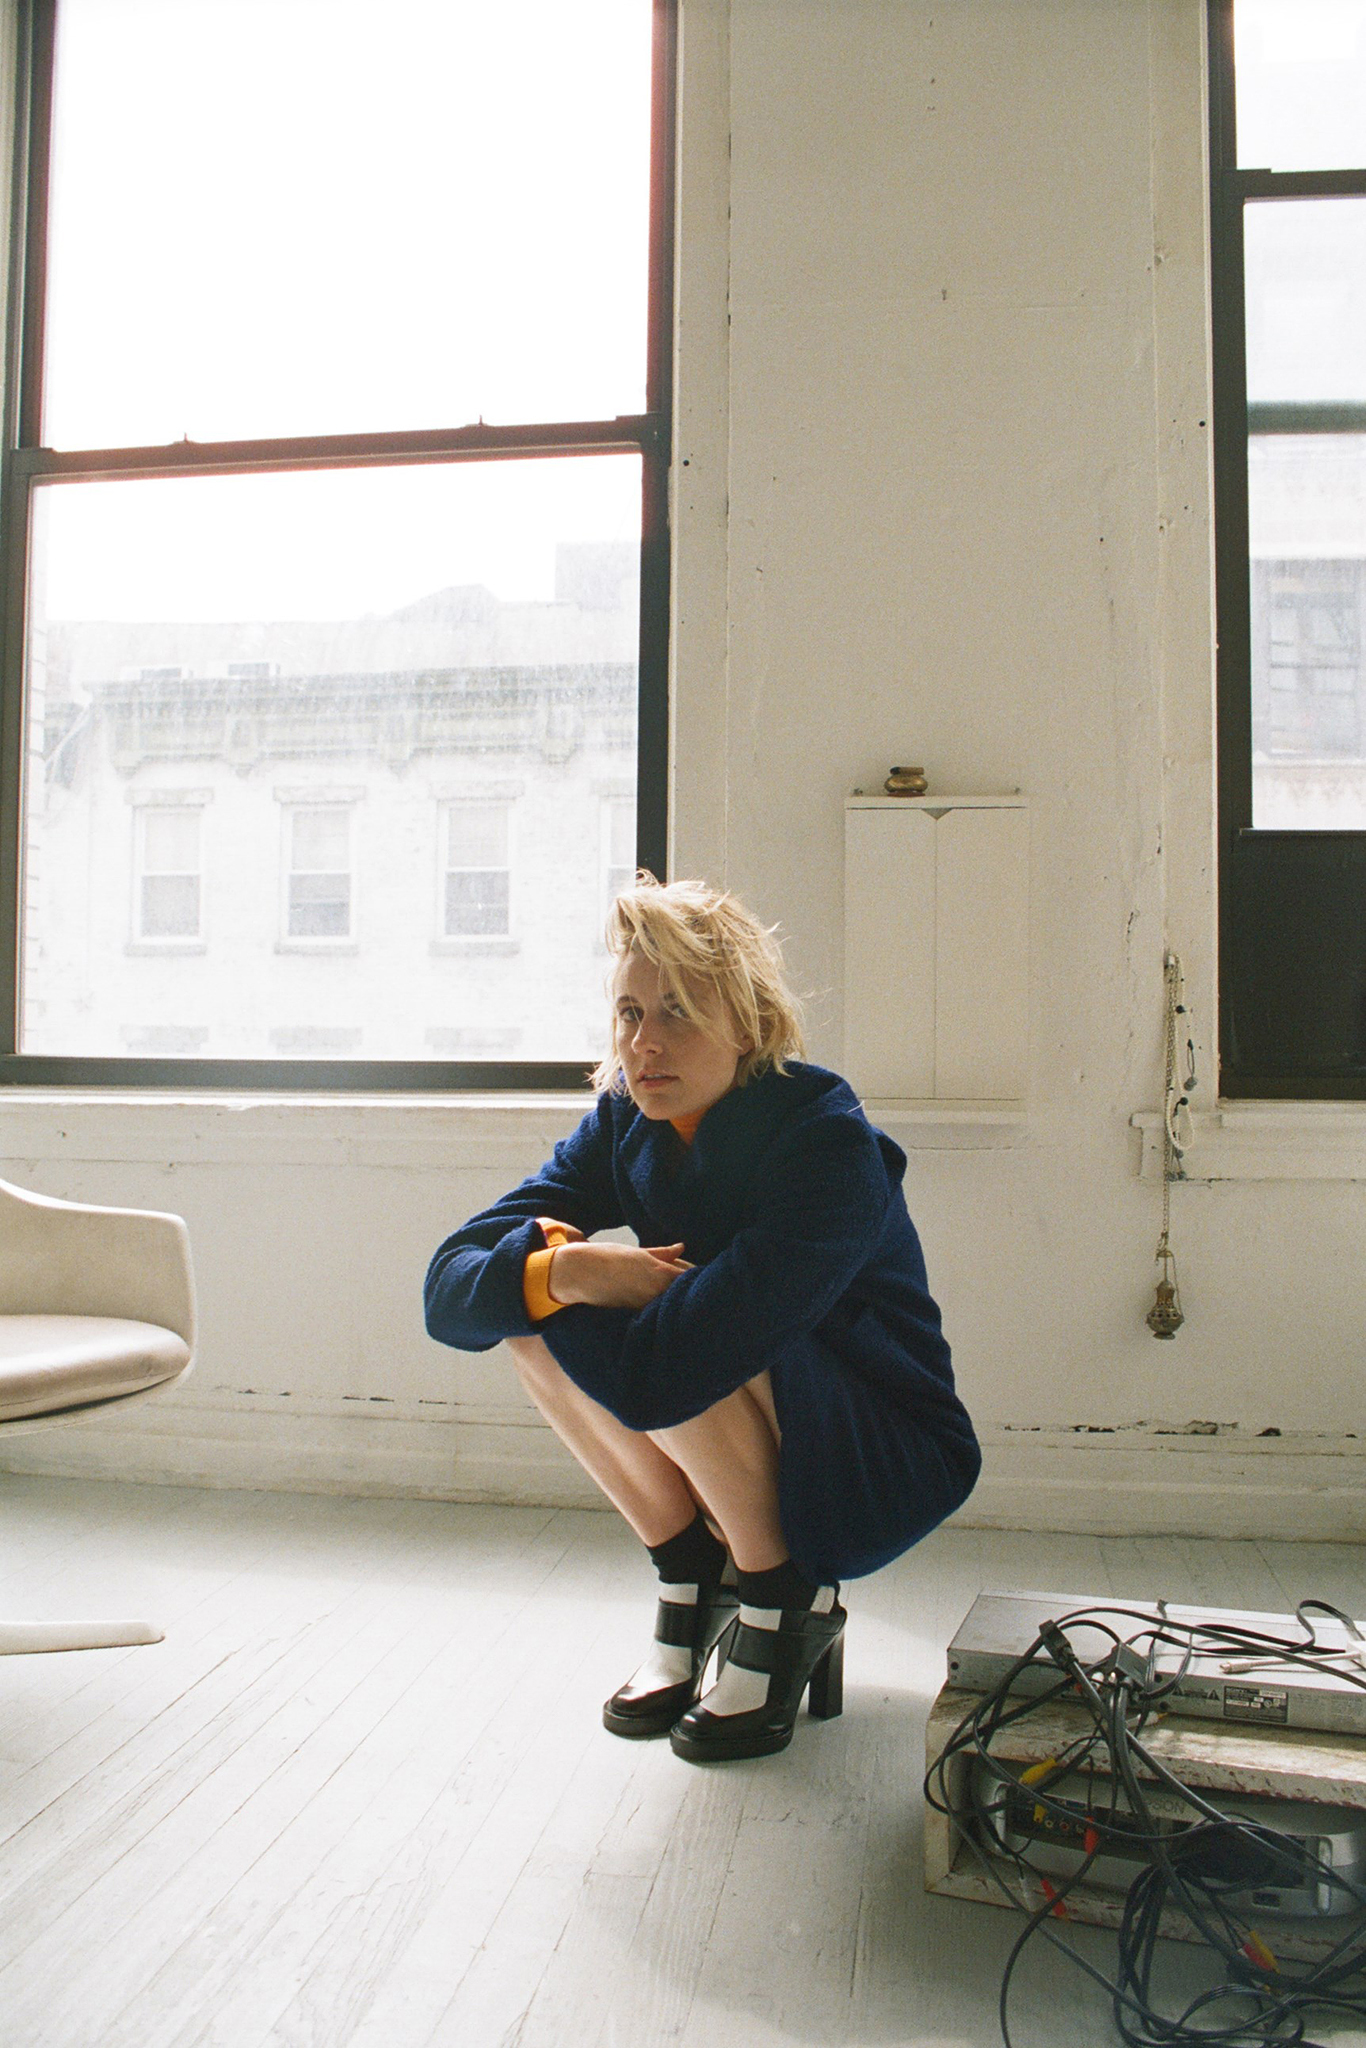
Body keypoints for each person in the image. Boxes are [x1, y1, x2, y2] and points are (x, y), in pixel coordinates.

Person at [423, 876, 980, 1762]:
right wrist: (566, 1269)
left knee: (670, 1329)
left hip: (877, 1449)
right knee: (531, 1310)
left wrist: (593, 1289)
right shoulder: (626, 1122)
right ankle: (690, 1575)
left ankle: (780, 1592)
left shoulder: (828, 1143)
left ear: (749, 1025)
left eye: (678, 1012)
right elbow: (447, 1292)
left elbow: (675, 1370)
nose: (644, 1043)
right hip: (741, 1401)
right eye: (629, 1013)